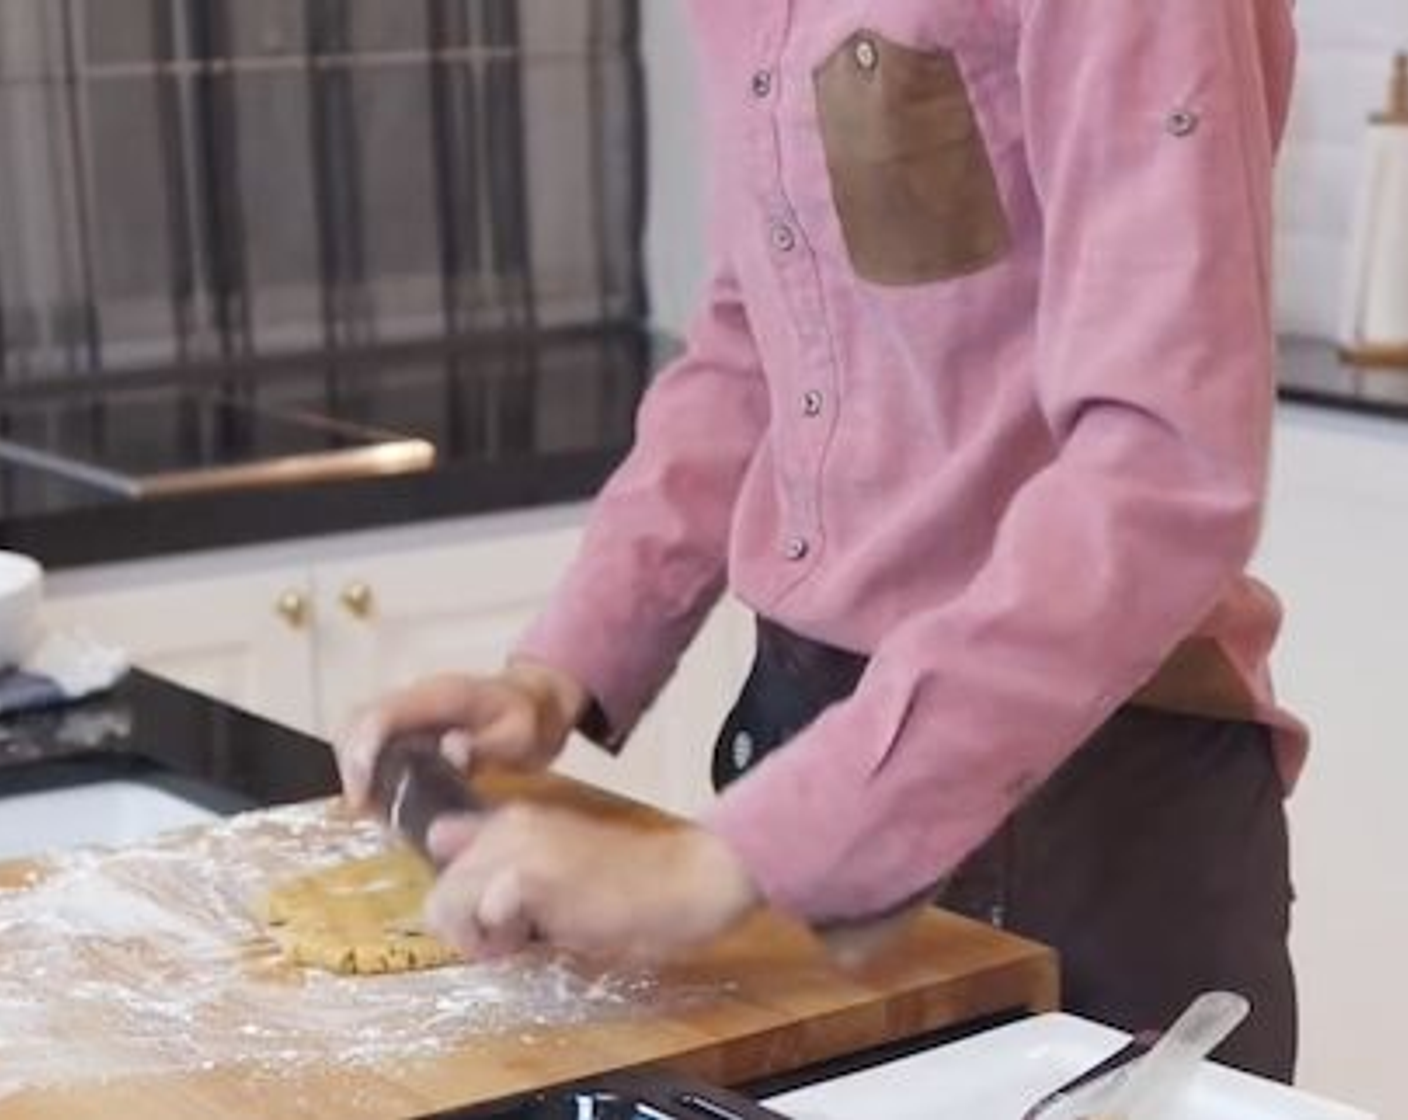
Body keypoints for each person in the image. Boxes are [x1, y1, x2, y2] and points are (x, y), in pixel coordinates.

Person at [336, 0, 1305, 1082]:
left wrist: (722, 862)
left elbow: (1162, 472)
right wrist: (556, 673)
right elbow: (756, 334)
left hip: (1087, 803)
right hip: (802, 756)